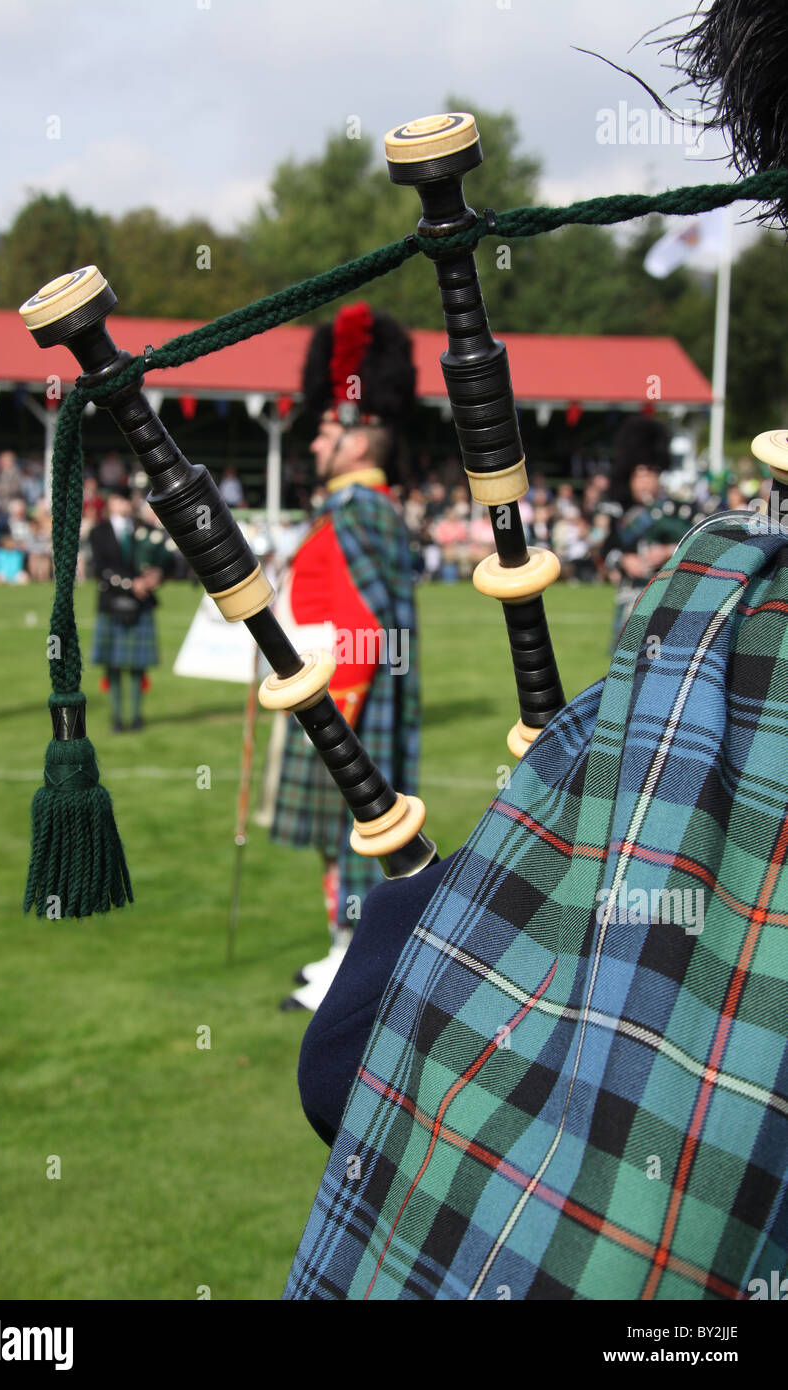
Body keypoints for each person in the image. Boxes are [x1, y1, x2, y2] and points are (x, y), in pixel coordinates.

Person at [283, 4, 788, 1300]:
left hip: (367, 682)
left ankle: (345, 932)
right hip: (372, 686)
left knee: (376, 857)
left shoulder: (721, 607)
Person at [270, 302, 420, 1013]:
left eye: (331, 427)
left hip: (349, 698)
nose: (315, 439)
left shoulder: (360, 512)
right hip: (345, 689)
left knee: (359, 827)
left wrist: (333, 713)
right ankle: (339, 947)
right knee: (345, 837)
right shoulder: (356, 508)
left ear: (361, 440)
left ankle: (352, 959)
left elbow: (359, 621)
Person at [600, 416, 696, 648]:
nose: (645, 481)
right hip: (631, 594)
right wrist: (624, 560)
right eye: (640, 474)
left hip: (667, 592)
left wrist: (666, 551)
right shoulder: (619, 511)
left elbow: (697, 541)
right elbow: (607, 548)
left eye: (651, 474)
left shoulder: (678, 508)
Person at [89, 488, 172, 731]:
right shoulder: (99, 531)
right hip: (111, 603)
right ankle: (116, 718)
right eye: (118, 498)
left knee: (138, 667)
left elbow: (162, 560)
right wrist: (131, 584)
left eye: (126, 499)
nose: (123, 503)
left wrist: (155, 576)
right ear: (110, 502)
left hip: (141, 603)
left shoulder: (143, 529)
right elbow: (100, 568)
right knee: (112, 666)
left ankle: (136, 717)